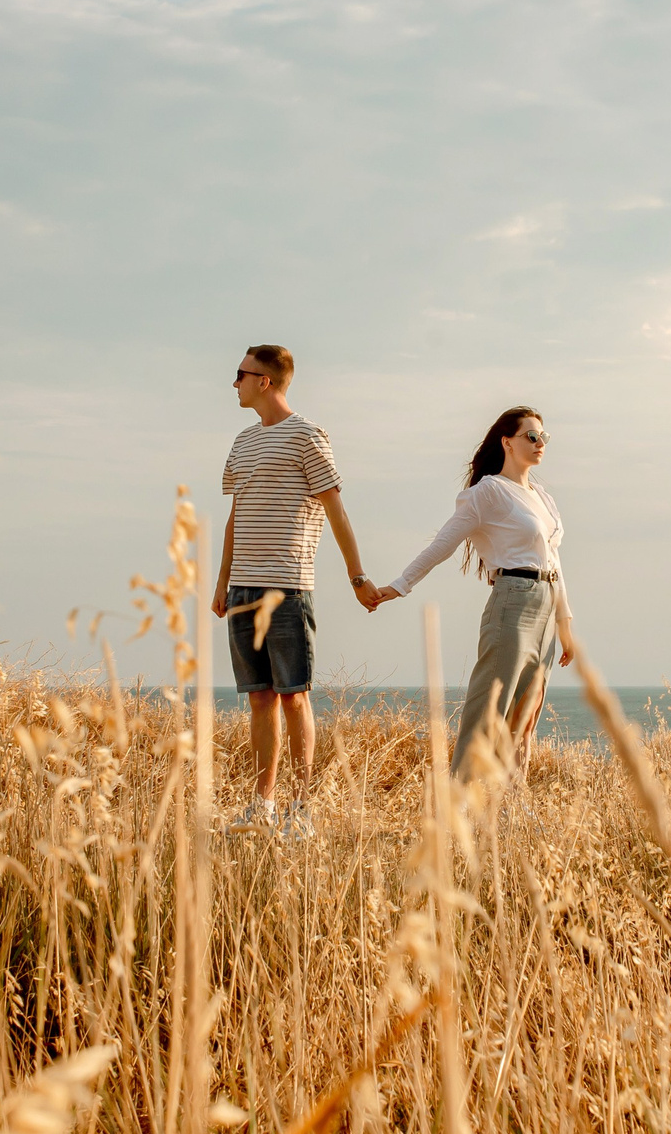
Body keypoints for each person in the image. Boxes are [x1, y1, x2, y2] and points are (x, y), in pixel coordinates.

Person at [213, 344, 382, 831]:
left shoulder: (308, 436)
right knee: (258, 698)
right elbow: (235, 518)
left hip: (286, 586)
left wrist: (356, 575)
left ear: (265, 380)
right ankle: (262, 806)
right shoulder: (241, 443)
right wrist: (223, 581)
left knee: (293, 696)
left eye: (241, 374)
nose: (234, 383)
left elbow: (336, 510)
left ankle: (301, 809)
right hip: (242, 588)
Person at [374, 406, 575, 782]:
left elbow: (555, 559)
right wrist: (400, 585)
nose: (540, 444)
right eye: (531, 436)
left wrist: (566, 622)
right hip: (514, 599)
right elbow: (443, 544)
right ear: (507, 442)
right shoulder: (488, 492)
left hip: (548, 604)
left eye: (544, 437)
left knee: (526, 713)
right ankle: (461, 797)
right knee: (489, 706)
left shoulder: (543, 497)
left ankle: (512, 799)